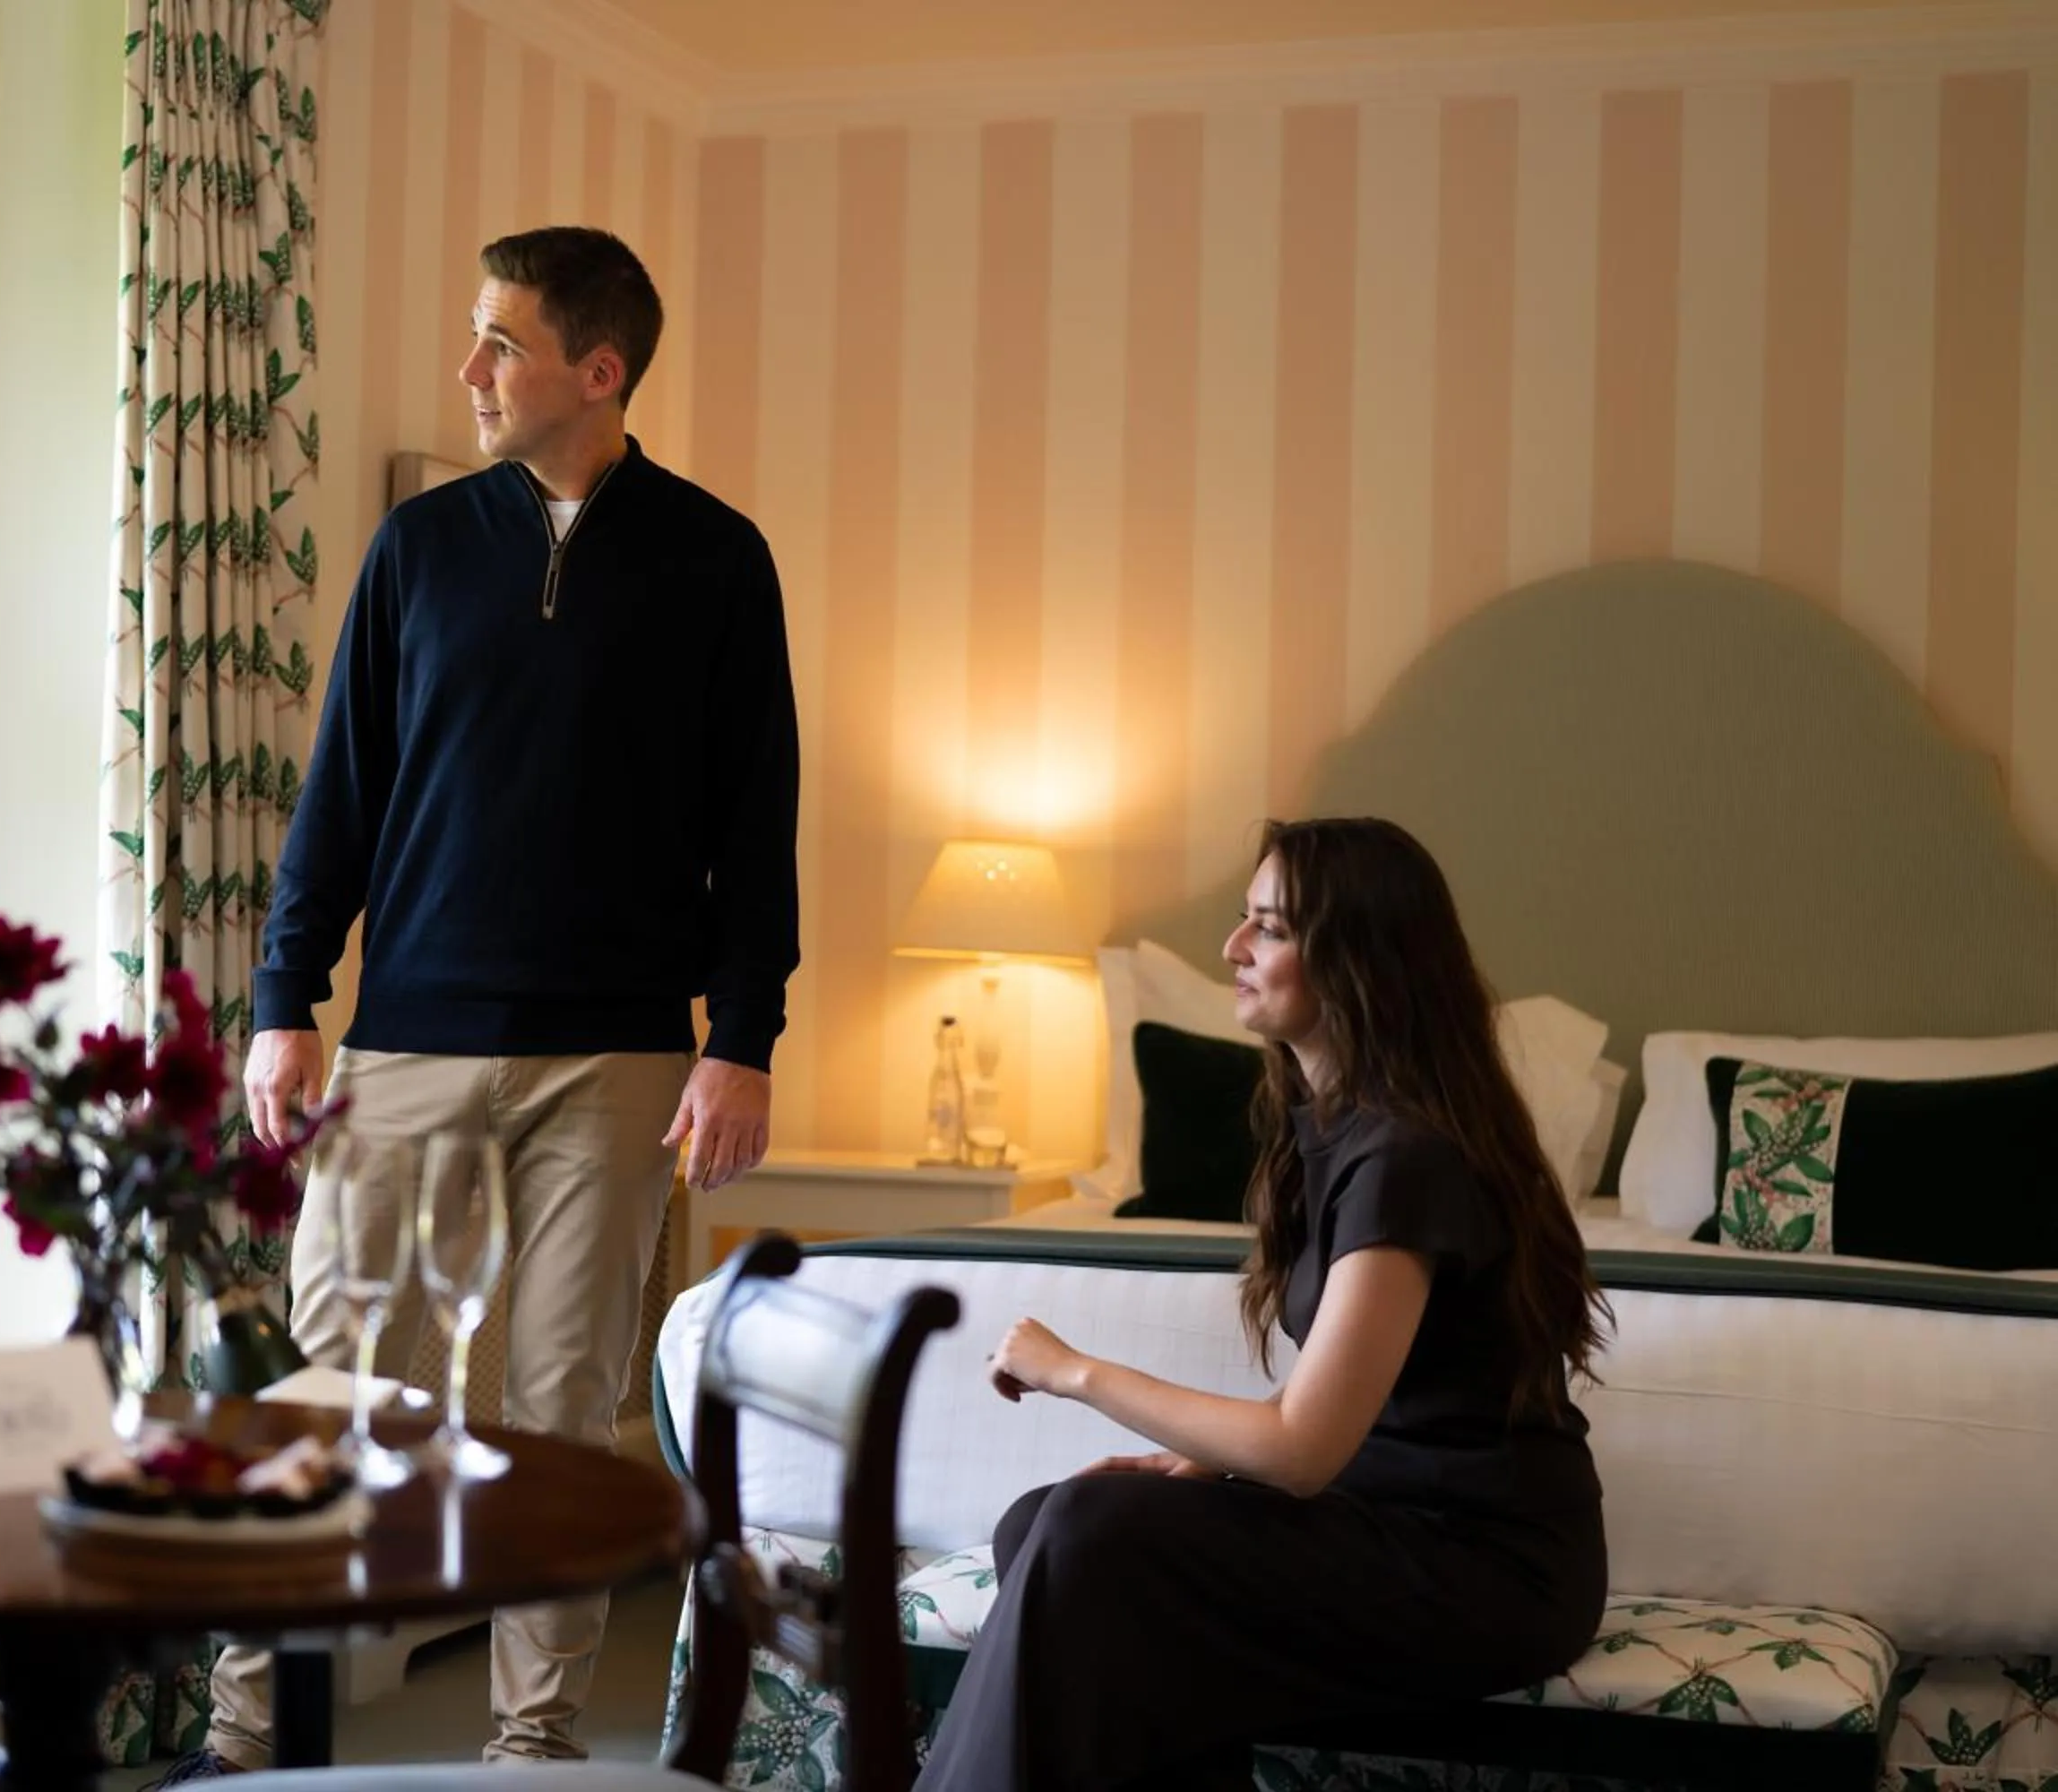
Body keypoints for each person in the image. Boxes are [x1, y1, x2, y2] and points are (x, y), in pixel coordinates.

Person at [160, 226, 800, 1779]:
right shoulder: (421, 549)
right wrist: (284, 1000)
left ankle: (532, 1744)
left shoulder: (718, 558)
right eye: (475, 336)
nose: (471, 371)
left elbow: (754, 821)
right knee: (322, 1386)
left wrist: (747, 1043)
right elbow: (343, 795)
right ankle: (249, 1734)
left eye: (499, 342)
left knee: (561, 1406)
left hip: (621, 1055)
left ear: (600, 369)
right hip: (406, 1041)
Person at [913, 817, 1613, 1792]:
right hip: (1392, 1511)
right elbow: (1376, 1391)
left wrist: (1077, 1372)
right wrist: (1197, 1458)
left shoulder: (1407, 1158)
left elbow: (1302, 1446)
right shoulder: (1340, 1130)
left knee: (1088, 1532)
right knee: (1041, 1522)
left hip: (1487, 1566)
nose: (1235, 949)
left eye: (1270, 929)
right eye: (1247, 921)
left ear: (1358, 959)